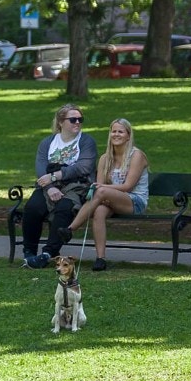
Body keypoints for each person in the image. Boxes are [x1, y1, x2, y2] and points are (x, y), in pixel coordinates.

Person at [65, 117, 149, 271]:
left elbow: (128, 187)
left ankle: (70, 229)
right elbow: (99, 189)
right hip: (109, 200)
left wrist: (103, 188)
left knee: (102, 191)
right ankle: (100, 259)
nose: (116, 134)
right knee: (98, 211)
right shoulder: (105, 158)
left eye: (120, 132)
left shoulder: (136, 156)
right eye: (113, 131)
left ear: (128, 136)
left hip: (135, 201)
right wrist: (102, 191)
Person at [21, 104, 98, 269]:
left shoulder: (86, 141)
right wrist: (49, 188)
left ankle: (48, 253)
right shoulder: (48, 142)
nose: (77, 122)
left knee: (64, 209)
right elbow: (41, 168)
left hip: (76, 186)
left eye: (80, 119)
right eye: (72, 119)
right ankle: (29, 252)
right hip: (49, 185)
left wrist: (56, 175)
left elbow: (83, 167)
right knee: (33, 208)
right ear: (61, 122)